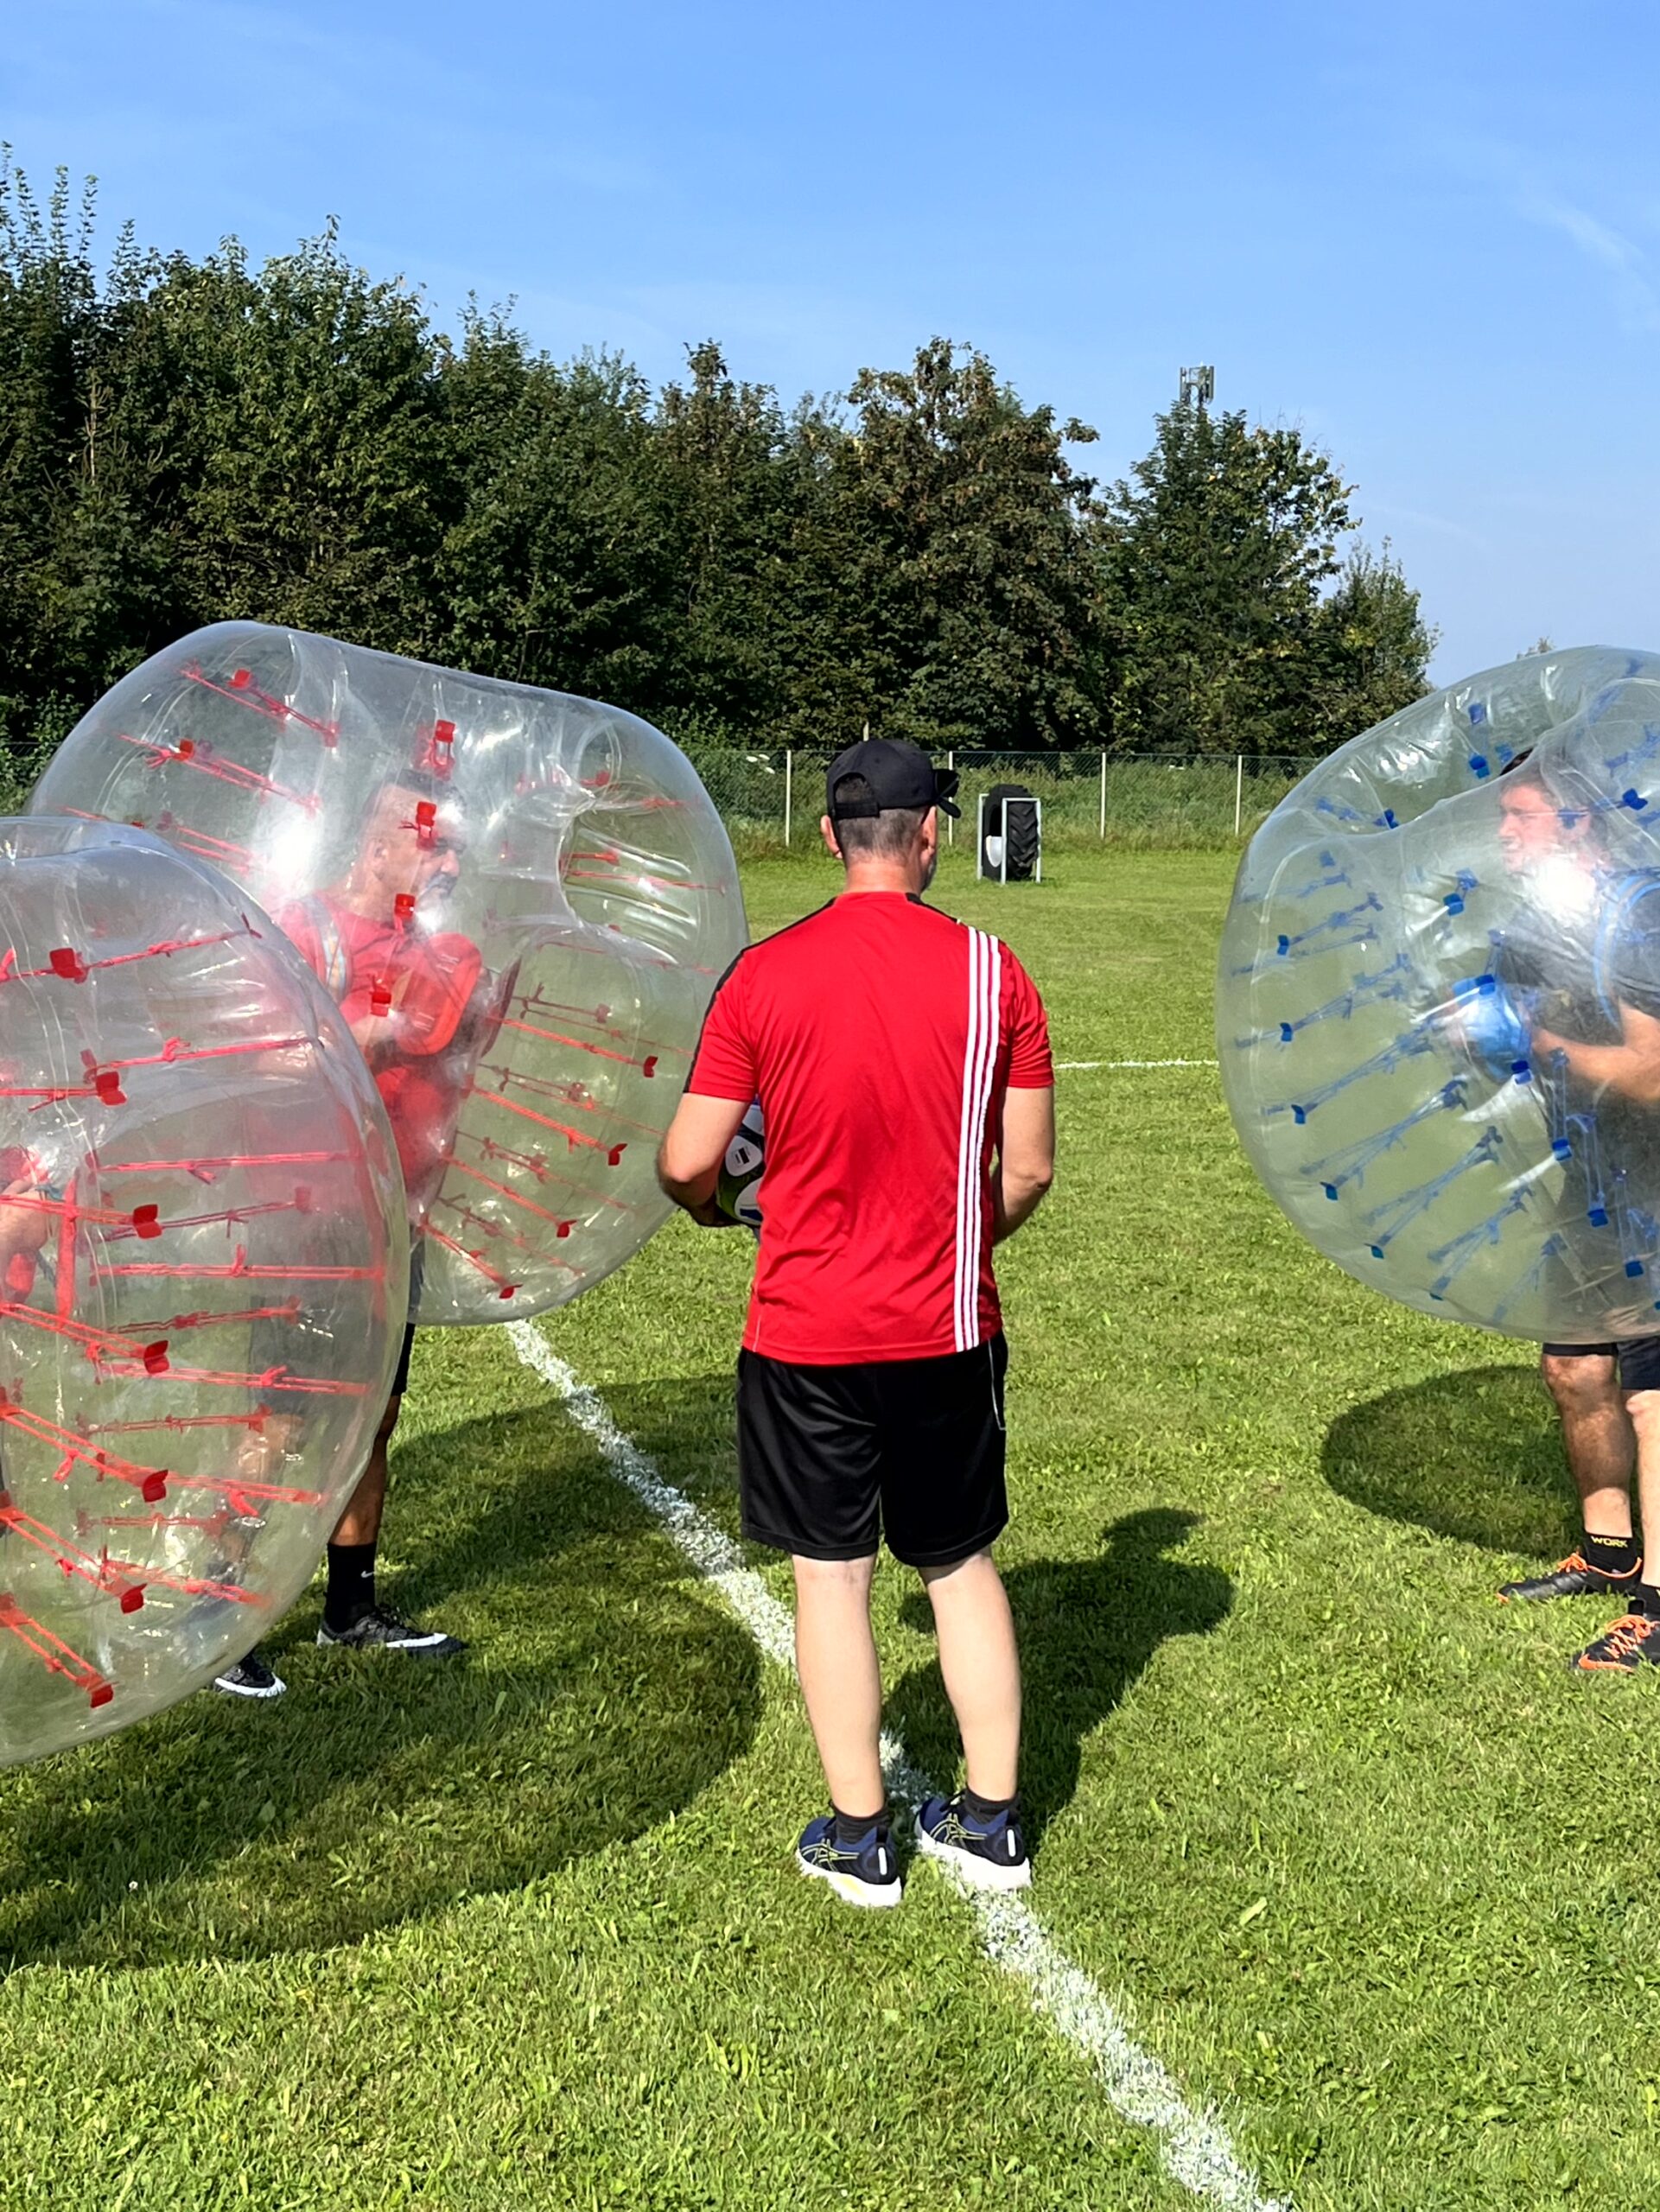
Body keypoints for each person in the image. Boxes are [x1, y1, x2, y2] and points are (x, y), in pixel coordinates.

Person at [657, 739, 1055, 1905]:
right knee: (958, 1561)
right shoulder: (996, 971)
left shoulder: (762, 976)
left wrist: (724, 1203)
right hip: (945, 1326)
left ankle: (860, 1833)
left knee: (829, 1580)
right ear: (930, 834)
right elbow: (1024, 1172)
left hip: (805, 1332)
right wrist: (955, 1244)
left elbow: (688, 1160)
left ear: (830, 838)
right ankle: (990, 1823)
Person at [214, 772, 478, 1698]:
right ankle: (221, 1614)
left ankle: (349, 1608)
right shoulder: (307, 927)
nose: (447, 859)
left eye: (450, 845)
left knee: (375, 1413)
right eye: (430, 844)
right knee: (285, 1414)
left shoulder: (433, 949)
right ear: (376, 847)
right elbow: (250, 1054)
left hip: (390, 1212)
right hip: (310, 1212)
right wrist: (356, 1029)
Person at [1481, 761, 1660, 1667]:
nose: (1504, 835)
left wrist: (1538, 1040)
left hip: (1658, 1186)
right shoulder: (1536, 928)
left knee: (1652, 1389)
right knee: (1575, 1367)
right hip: (1592, 1176)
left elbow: (1650, 1068)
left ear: (1576, 819)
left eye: (1518, 817)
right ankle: (1608, 1551)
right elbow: (1515, 1047)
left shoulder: (1637, 918)